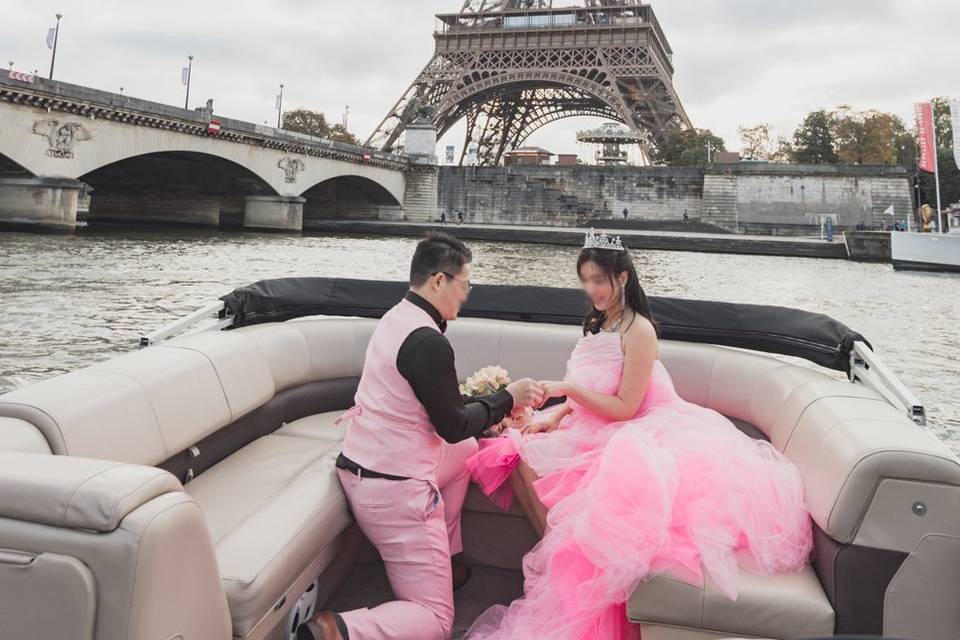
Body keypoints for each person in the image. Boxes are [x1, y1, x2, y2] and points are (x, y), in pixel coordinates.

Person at [464, 231, 813, 639]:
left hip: (638, 429)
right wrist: (556, 416)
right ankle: (559, 563)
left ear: (624, 278)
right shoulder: (599, 322)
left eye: (599, 280)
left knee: (548, 466)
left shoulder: (639, 331)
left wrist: (567, 391)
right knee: (513, 450)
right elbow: (593, 386)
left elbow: (625, 406)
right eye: (586, 280)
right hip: (594, 423)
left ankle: (569, 575)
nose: (591, 289)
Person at [302, 233, 545, 640]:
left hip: (365, 466)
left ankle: (444, 562)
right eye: (465, 285)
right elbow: (450, 423)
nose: (466, 296)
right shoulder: (427, 341)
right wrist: (508, 397)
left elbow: (447, 417)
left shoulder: (398, 317)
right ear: (439, 281)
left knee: (468, 450)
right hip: (395, 491)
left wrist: (492, 413)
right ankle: (338, 629)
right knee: (435, 622)